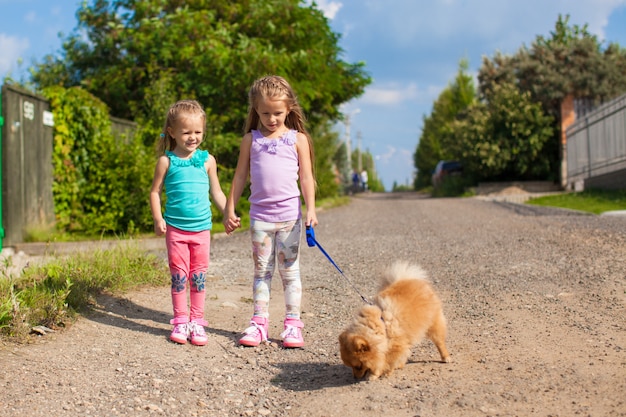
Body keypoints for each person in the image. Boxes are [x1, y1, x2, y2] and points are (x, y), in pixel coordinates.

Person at [224, 75, 318, 348]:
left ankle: (292, 324)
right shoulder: (250, 140)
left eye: (277, 112)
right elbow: (240, 176)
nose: (272, 118)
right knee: (262, 271)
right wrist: (230, 207)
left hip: (290, 218)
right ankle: (259, 323)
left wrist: (311, 209)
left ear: (289, 108)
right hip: (260, 219)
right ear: (255, 110)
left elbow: (307, 178)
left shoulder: (297, 139)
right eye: (265, 113)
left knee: (290, 272)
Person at [150, 99, 227, 346]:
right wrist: (158, 218)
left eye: (198, 132)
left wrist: (227, 213)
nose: (193, 137)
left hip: (202, 230)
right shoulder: (166, 161)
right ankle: (181, 320)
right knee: (179, 276)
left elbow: (216, 192)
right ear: (172, 132)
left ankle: (197, 321)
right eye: (186, 132)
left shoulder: (207, 160)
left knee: (198, 276)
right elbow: (154, 192)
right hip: (175, 229)